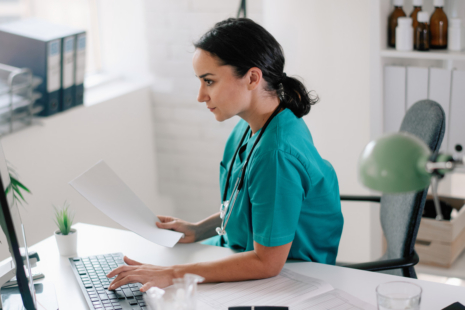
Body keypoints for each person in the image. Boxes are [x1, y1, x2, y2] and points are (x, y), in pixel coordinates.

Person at [107, 18, 343, 292]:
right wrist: (199, 229)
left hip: (287, 277)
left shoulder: (276, 154)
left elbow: (267, 263)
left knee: (161, 287)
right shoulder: (254, 125)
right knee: (146, 267)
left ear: (253, 78)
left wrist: (172, 274)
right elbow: (248, 202)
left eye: (209, 81)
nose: (200, 96)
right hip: (238, 252)